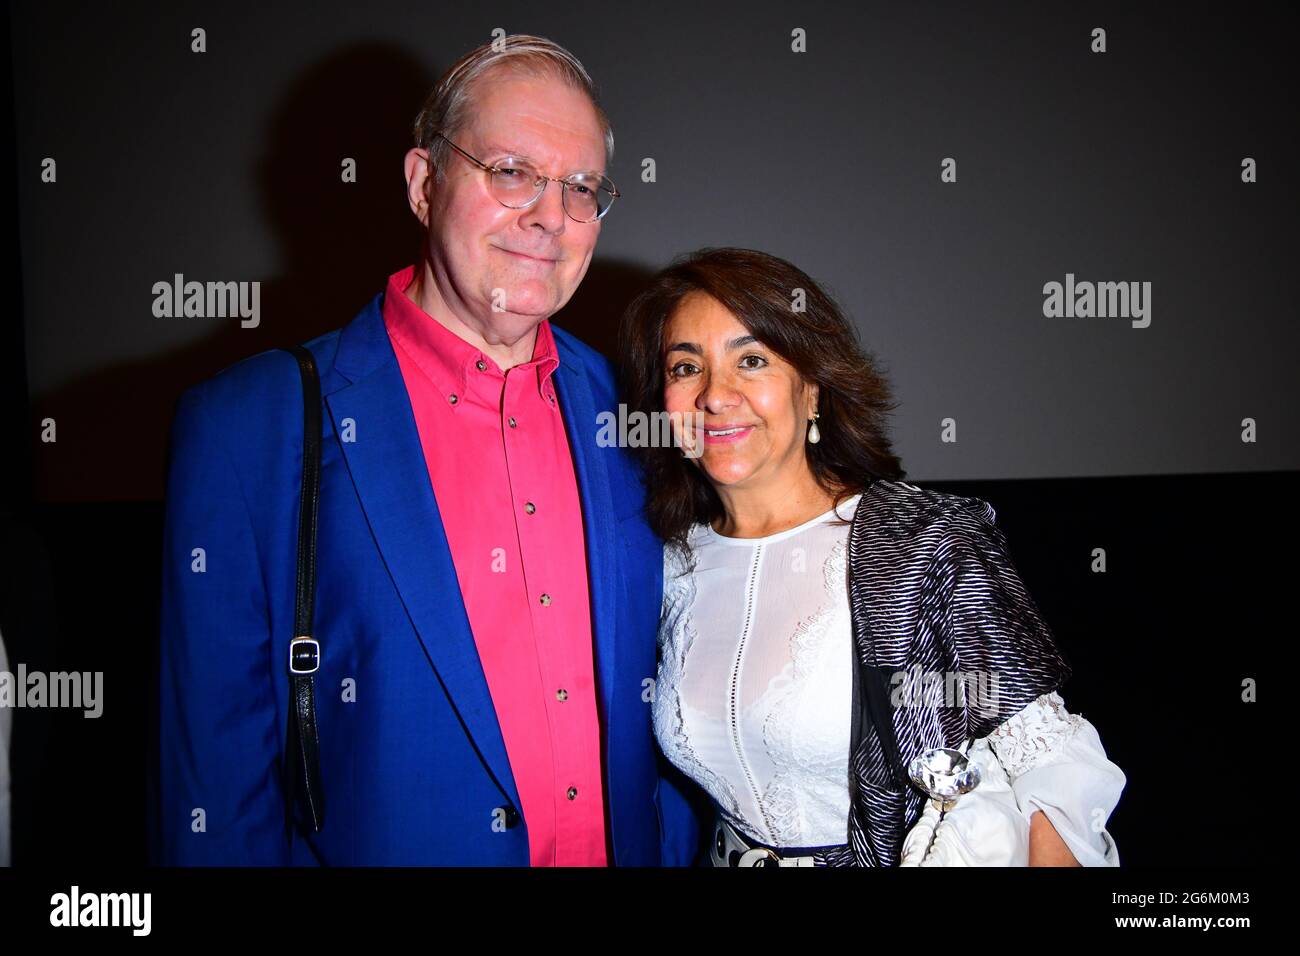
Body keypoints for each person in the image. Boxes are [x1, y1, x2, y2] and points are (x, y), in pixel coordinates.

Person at [157, 35, 703, 866]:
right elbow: (214, 788)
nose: (550, 216)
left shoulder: (639, 409)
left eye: (582, 187)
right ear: (422, 183)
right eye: (511, 171)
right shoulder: (250, 425)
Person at [619, 246, 1126, 867]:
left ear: (813, 392)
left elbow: (1051, 769)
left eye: (752, 360)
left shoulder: (923, 543)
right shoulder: (666, 565)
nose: (717, 396)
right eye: (685, 367)